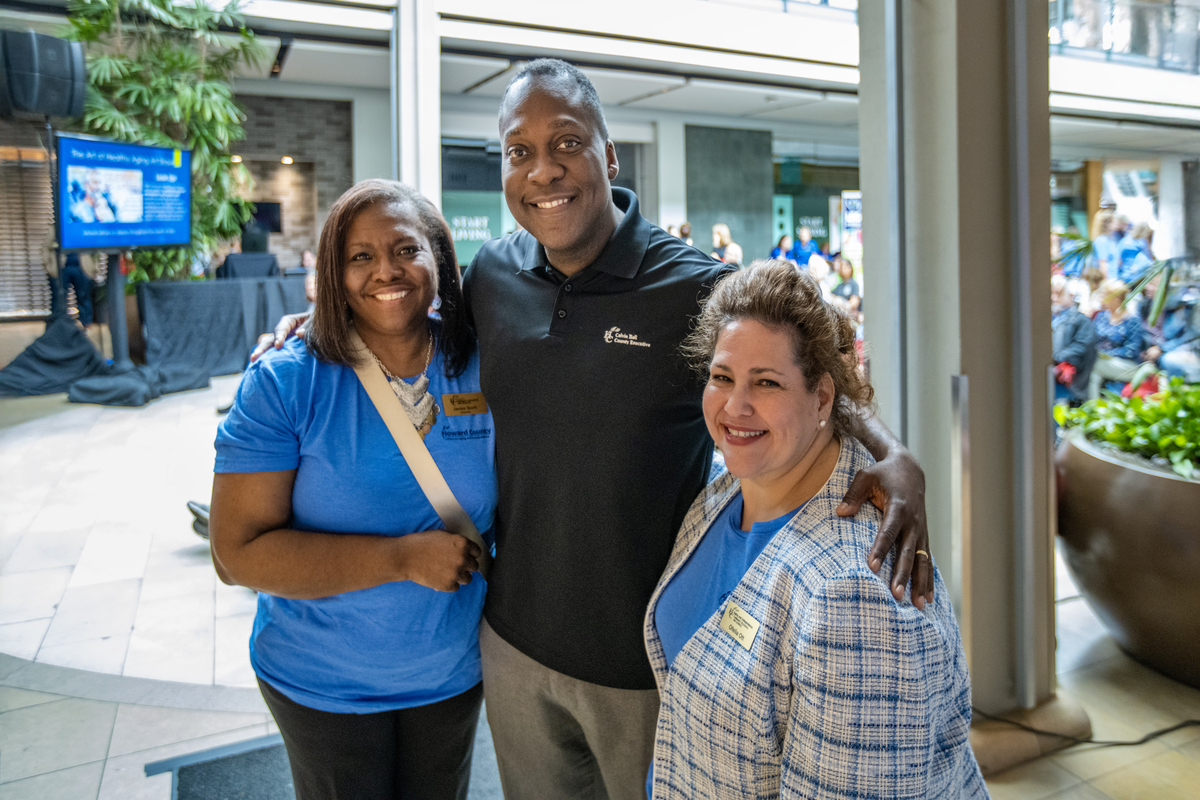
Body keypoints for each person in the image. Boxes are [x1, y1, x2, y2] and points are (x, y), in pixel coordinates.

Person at [256, 58, 933, 800]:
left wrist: (893, 452)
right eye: (519, 151)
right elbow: (404, 313)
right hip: (512, 646)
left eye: (567, 143)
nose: (543, 169)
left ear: (609, 156)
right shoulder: (491, 276)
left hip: (645, 661)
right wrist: (313, 323)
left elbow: (812, 361)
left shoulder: (690, 284)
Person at [645, 260, 986, 799]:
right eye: (722, 377)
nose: (735, 406)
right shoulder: (724, 492)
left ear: (823, 398)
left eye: (767, 382)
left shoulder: (852, 595)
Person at [210, 179, 494, 799]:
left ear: (439, 258)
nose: (386, 270)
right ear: (332, 274)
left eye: (407, 250)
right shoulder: (287, 382)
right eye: (360, 256)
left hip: (451, 672)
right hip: (323, 684)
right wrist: (399, 559)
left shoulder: (484, 362)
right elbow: (235, 555)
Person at [1087, 279, 1146, 398]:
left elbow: (1131, 350)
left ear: (1116, 299)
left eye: (1105, 296)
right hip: (1102, 360)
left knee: (1094, 366)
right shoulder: (1101, 316)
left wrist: (1108, 354)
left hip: (1127, 365)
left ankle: (1093, 405)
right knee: (1093, 371)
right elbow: (1092, 339)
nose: (1102, 299)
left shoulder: (1132, 320)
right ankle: (1094, 404)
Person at [1052, 274, 1098, 404]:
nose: (1054, 298)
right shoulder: (1051, 317)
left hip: (1071, 372)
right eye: (1052, 294)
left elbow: (1082, 346)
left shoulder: (1081, 320)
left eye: (1059, 294)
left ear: (1071, 295)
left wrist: (1057, 357)